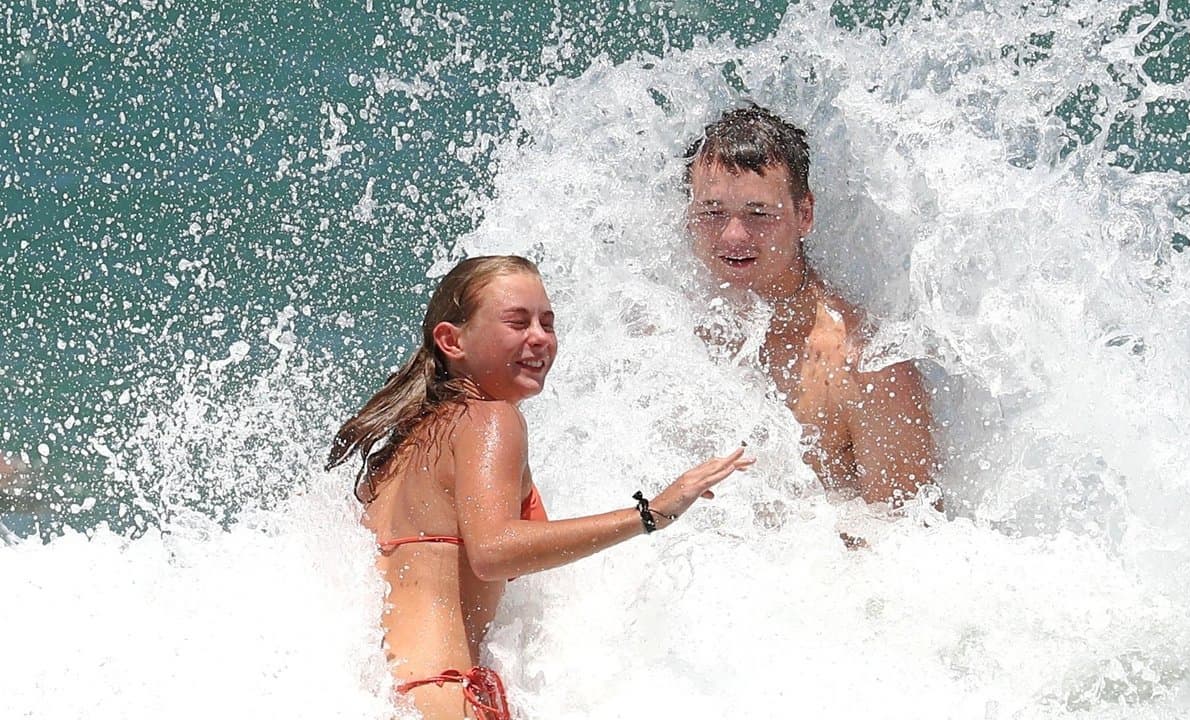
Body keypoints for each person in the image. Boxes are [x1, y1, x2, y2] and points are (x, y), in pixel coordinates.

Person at [326, 255, 752, 720]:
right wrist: (650, 515)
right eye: (517, 322)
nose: (540, 338)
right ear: (452, 340)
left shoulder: (406, 445)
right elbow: (494, 550)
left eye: (547, 323)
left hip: (393, 699)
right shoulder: (491, 420)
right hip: (449, 697)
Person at [683, 105, 936, 508]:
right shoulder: (667, 330)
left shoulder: (869, 365)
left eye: (758, 214)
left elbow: (907, 536)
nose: (733, 236)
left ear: (804, 215)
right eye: (713, 212)